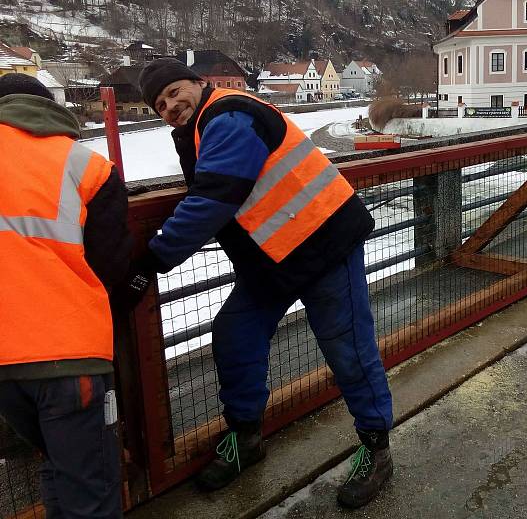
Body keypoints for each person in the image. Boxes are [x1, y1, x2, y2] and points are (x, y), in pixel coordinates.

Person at [131, 58, 393, 508]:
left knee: (347, 347)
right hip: (273, 261)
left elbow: (213, 199)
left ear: (199, 84)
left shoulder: (229, 115)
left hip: (324, 245)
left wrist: (150, 261)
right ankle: (246, 437)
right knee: (236, 335)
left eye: (175, 92)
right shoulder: (200, 128)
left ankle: (376, 448)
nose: (171, 106)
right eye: (161, 104)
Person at [0, 73, 132, 518]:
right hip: (69, 354)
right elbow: (111, 263)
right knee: (89, 488)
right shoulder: (87, 165)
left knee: (55, 465)